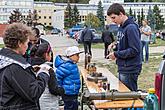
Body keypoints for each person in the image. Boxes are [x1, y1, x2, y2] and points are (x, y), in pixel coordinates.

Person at [0, 23, 52, 109]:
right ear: (20, 43)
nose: (28, 47)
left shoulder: (4, 58)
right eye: (27, 43)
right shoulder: (16, 66)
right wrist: (44, 73)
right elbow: (33, 94)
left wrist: (29, 72)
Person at [107, 3, 142, 92]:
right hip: (123, 67)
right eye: (111, 18)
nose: (112, 21)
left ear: (121, 14)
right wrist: (115, 46)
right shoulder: (121, 27)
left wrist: (116, 54)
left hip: (130, 68)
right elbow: (123, 44)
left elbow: (134, 50)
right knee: (123, 95)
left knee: (129, 97)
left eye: (114, 17)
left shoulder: (131, 28)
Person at [30, 43, 64, 110]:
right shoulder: (47, 69)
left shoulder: (32, 68)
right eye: (50, 53)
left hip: (36, 103)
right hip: (48, 104)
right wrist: (62, 90)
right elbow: (54, 90)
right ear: (46, 54)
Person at [54, 46, 83, 110]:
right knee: (70, 107)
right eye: (77, 55)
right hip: (68, 93)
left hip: (73, 91)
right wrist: (60, 90)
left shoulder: (72, 64)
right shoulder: (66, 66)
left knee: (73, 106)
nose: (79, 57)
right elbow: (58, 78)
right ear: (71, 56)